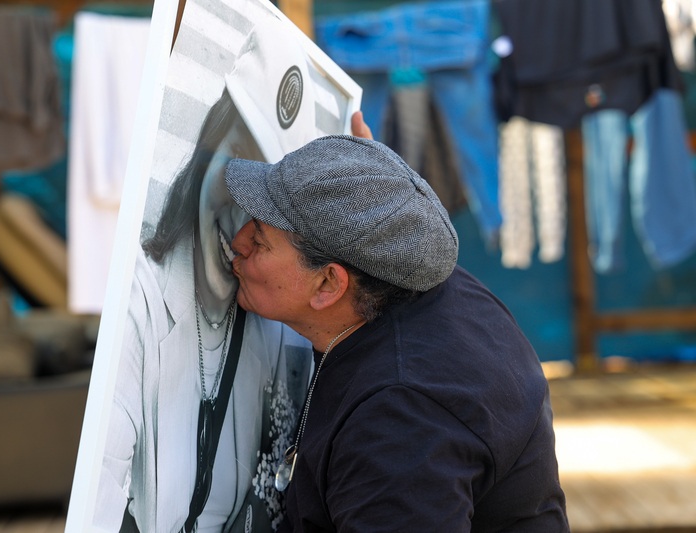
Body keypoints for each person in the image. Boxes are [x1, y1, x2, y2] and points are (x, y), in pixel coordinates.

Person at [224, 131, 570, 531]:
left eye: (260, 240)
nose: (238, 242)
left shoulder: (398, 430)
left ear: (328, 285)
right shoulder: (419, 277)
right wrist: (359, 183)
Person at [92, 20, 334, 532]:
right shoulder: (139, 303)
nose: (245, 224)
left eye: (269, 200)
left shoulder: (274, 329)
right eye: (238, 162)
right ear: (210, 140)